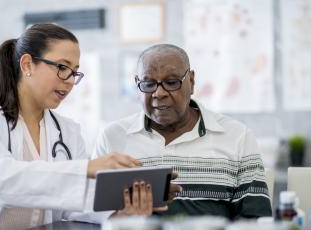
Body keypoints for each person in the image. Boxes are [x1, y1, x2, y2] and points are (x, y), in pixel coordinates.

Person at [0, 24, 162, 230]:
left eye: (75, 72)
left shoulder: (67, 131)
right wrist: (87, 168)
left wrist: (121, 212)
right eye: (62, 68)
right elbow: (1, 181)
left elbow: (76, 201)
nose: (70, 81)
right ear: (27, 65)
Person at [93, 44, 272, 219]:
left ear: (191, 82)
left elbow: (255, 220)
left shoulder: (237, 136)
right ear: (137, 84)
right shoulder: (112, 138)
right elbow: (91, 215)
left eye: (171, 83)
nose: (159, 93)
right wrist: (121, 215)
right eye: (148, 84)